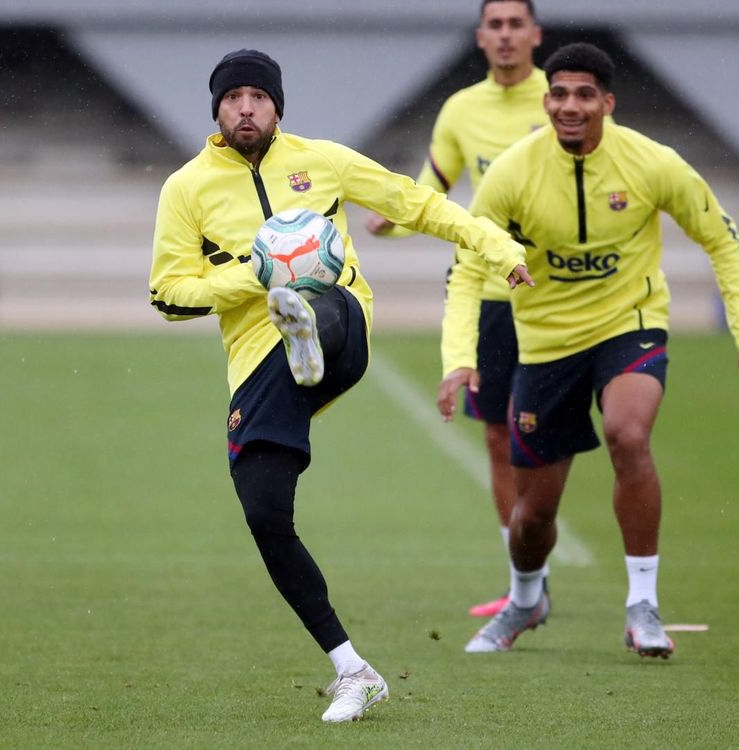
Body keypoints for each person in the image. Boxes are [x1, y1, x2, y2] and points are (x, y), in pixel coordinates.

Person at [149, 49, 531, 722]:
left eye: (258, 97)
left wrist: (496, 247)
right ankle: (353, 670)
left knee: (319, 294)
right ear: (216, 109)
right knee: (265, 513)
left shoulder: (323, 159)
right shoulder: (186, 189)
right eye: (233, 96)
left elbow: (414, 203)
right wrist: (260, 274)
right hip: (260, 361)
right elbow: (168, 293)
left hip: (342, 326)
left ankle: (307, 323)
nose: (246, 107)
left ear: (277, 106)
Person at [438, 42, 739, 658]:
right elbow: (466, 266)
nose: (570, 106)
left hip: (631, 324)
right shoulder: (513, 172)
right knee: (534, 517)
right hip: (542, 345)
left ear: (607, 102)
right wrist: (458, 358)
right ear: (546, 101)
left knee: (628, 434)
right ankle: (525, 599)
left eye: (584, 95)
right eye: (560, 94)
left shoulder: (652, 163)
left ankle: (642, 604)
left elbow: (722, 240)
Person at [367, 0, 550, 619]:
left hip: (561, 298)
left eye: (514, 24)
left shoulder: (564, 99)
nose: (504, 35)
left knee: (551, 442)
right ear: (480, 37)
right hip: (493, 296)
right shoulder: (461, 110)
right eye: (494, 25)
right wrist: (389, 221)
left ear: (534, 34)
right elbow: (432, 189)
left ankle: (544, 551)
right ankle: (526, 578)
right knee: (499, 436)